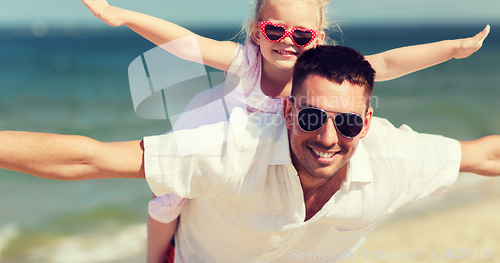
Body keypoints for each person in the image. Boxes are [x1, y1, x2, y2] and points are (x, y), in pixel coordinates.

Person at [77, 0, 490, 262]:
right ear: (257, 30)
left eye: (302, 35)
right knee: (166, 201)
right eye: (275, 30)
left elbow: (390, 62)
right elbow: (187, 43)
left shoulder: (322, 73)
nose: (287, 42)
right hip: (226, 146)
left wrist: (451, 50)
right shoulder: (246, 62)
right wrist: (124, 16)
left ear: (318, 39)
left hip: (275, 163)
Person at [1, 45, 499, 262]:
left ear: (366, 124)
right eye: (311, 117)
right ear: (286, 113)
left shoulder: (396, 159)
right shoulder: (231, 150)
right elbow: (89, 159)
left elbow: (482, 155)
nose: (328, 137)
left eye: (347, 122)